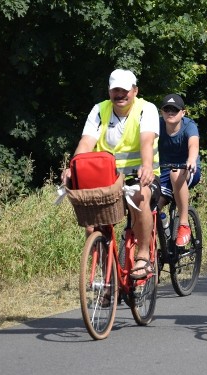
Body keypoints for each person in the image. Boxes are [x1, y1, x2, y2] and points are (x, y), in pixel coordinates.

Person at [61, 69, 160, 280]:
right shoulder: (99, 110)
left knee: (140, 196)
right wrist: (74, 167)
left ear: (135, 91)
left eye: (125, 90)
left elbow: (146, 141)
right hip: (107, 179)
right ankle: (108, 277)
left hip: (139, 175)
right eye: (116, 90)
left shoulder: (146, 109)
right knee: (92, 224)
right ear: (109, 91)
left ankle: (143, 256)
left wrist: (146, 166)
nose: (120, 95)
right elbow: (86, 142)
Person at [158, 93, 201, 246]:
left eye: (175, 110)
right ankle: (160, 241)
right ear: (162, 112)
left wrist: (191, 159)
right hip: (163, 171)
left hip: (187, 169)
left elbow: (193, 144)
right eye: (167, 109)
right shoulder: (156, 126)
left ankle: (184, 224)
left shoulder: (189, 126)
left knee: (175, 174)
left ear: (183, 112)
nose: (170, 112)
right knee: (152, 207)